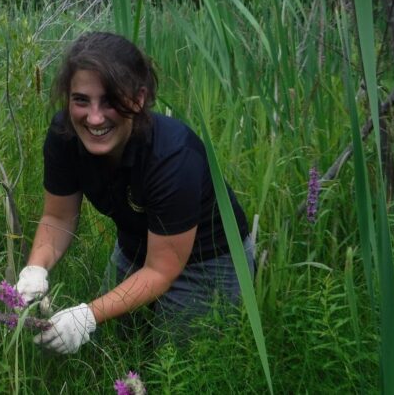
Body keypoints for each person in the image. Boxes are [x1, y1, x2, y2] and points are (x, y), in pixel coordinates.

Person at [16, 31, 254, 354]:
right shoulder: (64, 135)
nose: (94, 117)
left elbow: (161, 270)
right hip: (136, 246)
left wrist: (88, 314)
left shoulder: (172, 156)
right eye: (81, 100)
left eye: (111, 100)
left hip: (208, 259)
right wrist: (36, 268)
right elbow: (58, 217)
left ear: (138, 99)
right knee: (106, 349)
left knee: (175, 365)